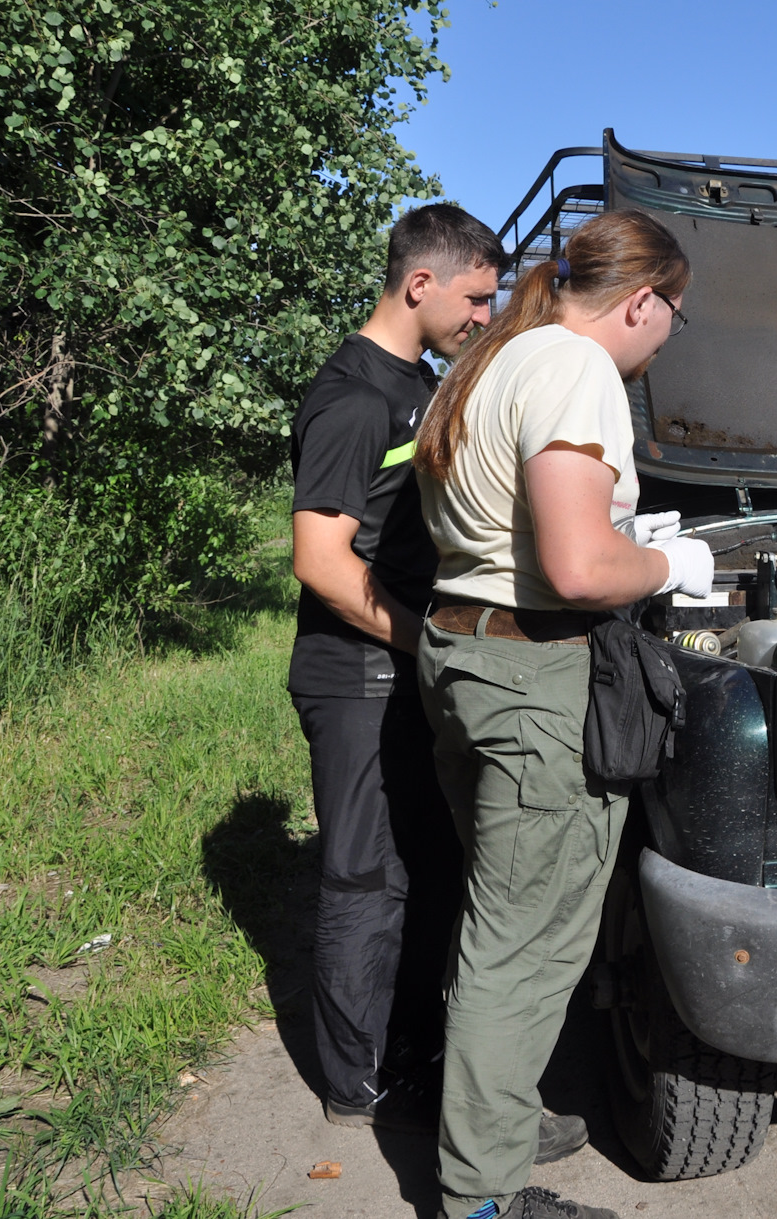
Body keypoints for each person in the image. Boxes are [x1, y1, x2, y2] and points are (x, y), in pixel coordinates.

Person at [413, 210, 713, 1219]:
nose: (669, 337)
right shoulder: (576, 370)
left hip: (463, 652)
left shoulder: (494, 358)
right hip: (533, 675)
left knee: (498, 920)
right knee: (527, 944)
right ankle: (482, 1198)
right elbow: (582, 567)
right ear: (642, 301)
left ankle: (491, 1115)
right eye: (674, 316)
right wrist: (677, 562)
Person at [289, 203, 503, 1131]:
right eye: (477, 299)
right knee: (364, 881)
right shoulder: (354, 397)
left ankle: (410, 1049)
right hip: (358, 675)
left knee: (425, 866)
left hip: (407, 668)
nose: (484, 317)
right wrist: (431, 641)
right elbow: (322, 560)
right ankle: (354, 1082)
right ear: (421, 284)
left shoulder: (416, 383)